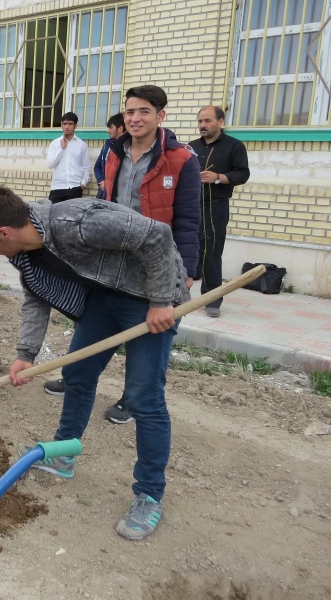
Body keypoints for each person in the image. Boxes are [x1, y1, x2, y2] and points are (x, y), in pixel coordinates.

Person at [0, 186, 188, 541]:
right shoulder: (22, 251)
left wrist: (162, 300)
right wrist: (25, 354)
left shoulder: (77, 222)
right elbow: (36, 296)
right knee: (78, 375)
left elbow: (157, 236)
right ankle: (63, 454)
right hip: (103, 297)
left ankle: (149, 495)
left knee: (144, 397)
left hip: (148, 296)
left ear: (3, 233)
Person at [45, 86, 201, 426]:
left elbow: (189, 222)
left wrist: (186, 271)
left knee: (146, 381)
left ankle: (134, 402)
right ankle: (65, 449)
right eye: (130, 112)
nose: (135, 118)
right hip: (112, 275)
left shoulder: (182, 160)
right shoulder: (113, 153)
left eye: (144, 111)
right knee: (81, 367)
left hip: (156, 278)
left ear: (160, 116)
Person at [191, 106, 250, 318]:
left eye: (207, 121)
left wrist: (218, 177)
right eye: (200, 121)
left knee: (211, 253)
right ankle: (179, 295)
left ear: (220, 122)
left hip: (215, 205)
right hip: (190, 205)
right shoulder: (191, 147)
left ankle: (212, 300)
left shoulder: (234, 146)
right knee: (186, 249)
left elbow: (243, 174)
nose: (202, 125)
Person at [46, 112, 90, 203]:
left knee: (73, 217)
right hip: (57, 188)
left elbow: (86, 168)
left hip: (75, 188)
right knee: (53, 216)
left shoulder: (82, 145)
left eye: (70, 124)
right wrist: (61, 149)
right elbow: (50, 164)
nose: (67, 127)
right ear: (61, 126)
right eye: (64, 124)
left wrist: (82, 185)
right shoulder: (55, 144)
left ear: (75, 126)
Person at [93, 113, 125, 199]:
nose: (108, 131)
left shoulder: (127, 148)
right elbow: (97, 166)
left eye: (111, 127)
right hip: (103, 194)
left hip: (117, 196)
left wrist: (108, 184)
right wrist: (101, 181)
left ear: (120, 128)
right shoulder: (107, 145)